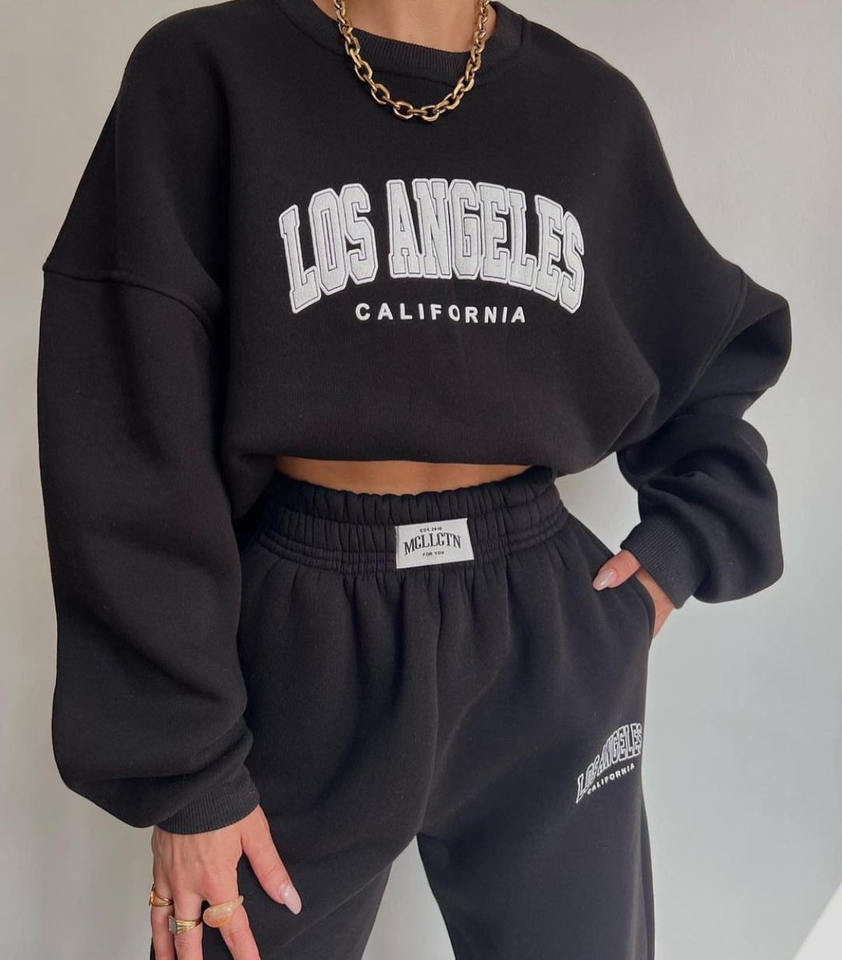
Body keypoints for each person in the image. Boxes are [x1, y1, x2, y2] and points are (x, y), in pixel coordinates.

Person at [36, 0, 792, 958]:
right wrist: (186, 775)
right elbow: (125, 417)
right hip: (301, 637)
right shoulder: (206, 72)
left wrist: (678, 552)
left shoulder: (588, 108)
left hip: (544, 621)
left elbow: (709, 348)